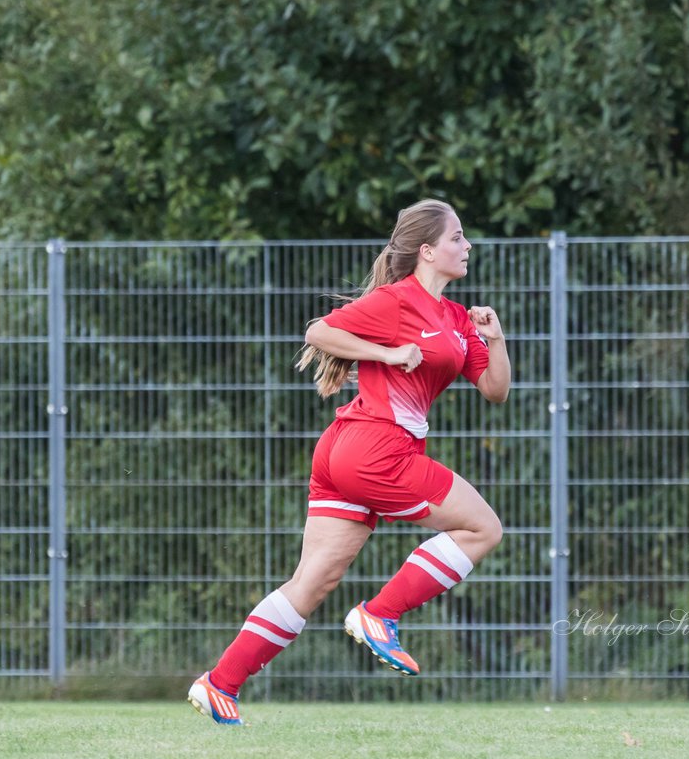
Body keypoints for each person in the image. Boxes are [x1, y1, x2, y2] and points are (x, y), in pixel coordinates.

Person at [188, 198, 511, 724]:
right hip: (376, 450)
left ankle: (221, 684)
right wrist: (385, 354)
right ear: (427, 251)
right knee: (483, 528)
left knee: (312, 581)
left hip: (346, 450)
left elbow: (495, 390)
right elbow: (319, 332)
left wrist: (494, 339)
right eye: (457, 237)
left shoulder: (457, 318)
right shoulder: (396, 300)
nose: (467, 245)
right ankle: (379, 615)